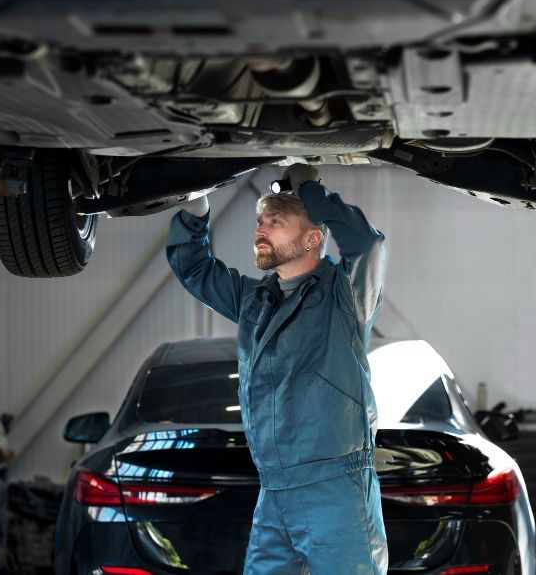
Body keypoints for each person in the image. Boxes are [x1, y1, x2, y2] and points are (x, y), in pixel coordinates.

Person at [166, 164, 388, 574]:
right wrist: (195, 209)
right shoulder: (255, 300)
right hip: (273, 490)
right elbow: (195, 269)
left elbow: (366, 245)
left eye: (276, 221)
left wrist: (312, 193)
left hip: (335, 489)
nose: (260, 229)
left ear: (312, 237)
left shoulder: (345, 297)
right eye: (260, 221)